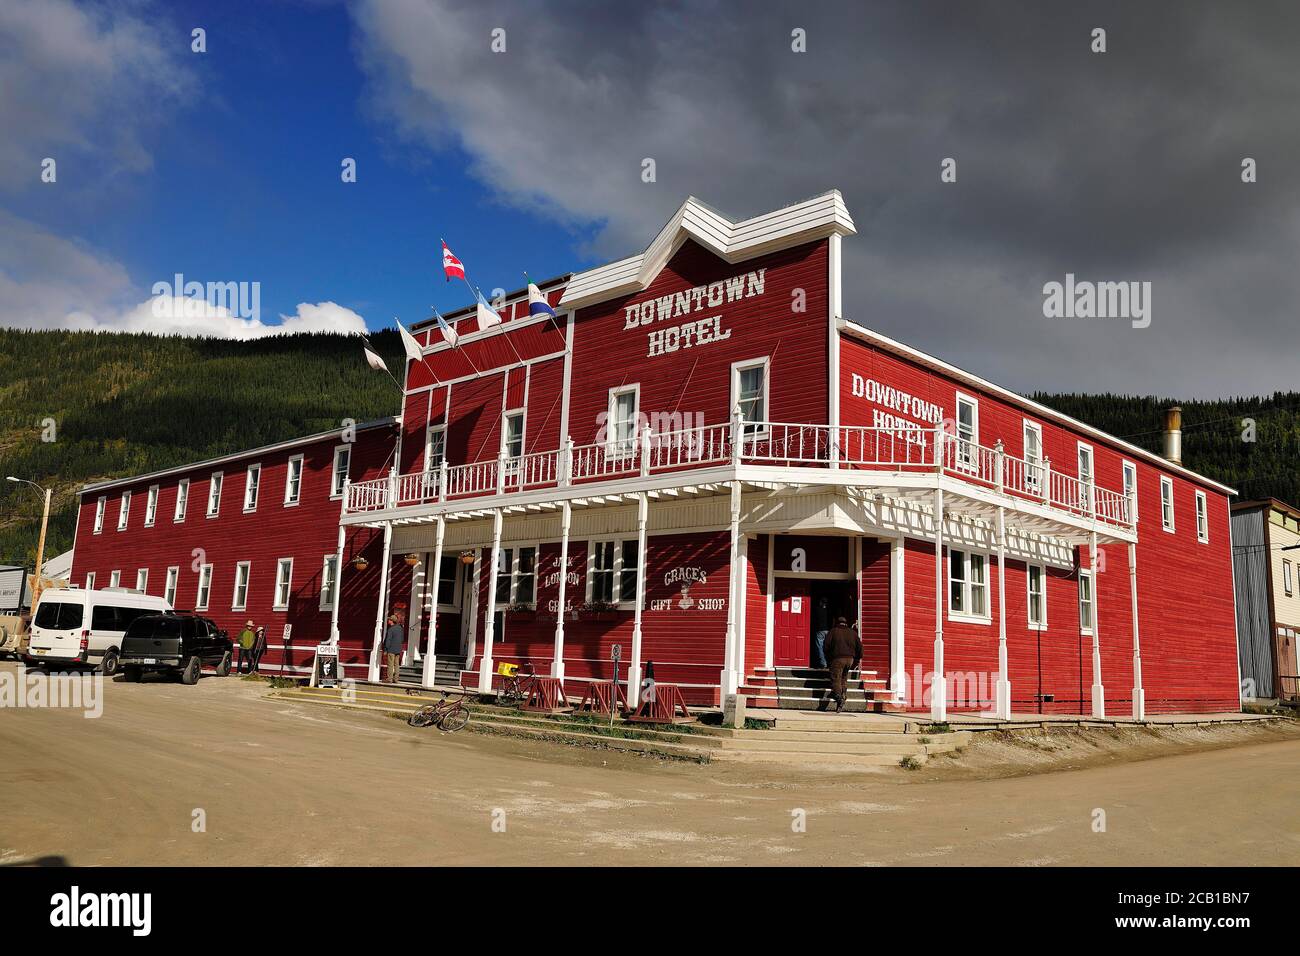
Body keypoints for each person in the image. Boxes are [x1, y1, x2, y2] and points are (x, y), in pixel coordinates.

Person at [823, 616, 862, 713]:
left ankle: (839, 699)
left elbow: (826, 646)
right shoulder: (853, 633)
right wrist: (857, 659)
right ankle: (843, 694)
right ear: (846, 623)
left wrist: (828, 659)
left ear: (837, 623)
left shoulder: (833, 631)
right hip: (850, 660)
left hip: (838, 658)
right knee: (843, 678)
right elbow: (860, 647)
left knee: (835, 679)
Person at [382, 613, 404, 684]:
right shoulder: (400, 629)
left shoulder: (391, 629)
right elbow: (402, 639)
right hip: (398, 649)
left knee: (390, 664)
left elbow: (388, 640)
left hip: (391, 649)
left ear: (392, 621)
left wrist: (385, 649)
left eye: (389, 620)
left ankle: (389, 679)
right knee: (396, 664)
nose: (388, 621)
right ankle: (396, 679)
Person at [811, 595, 831, 669]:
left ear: (821, 602)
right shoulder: (829, 610)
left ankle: (823, 663)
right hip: (828, 630)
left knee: (820, 646)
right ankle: (829, 661)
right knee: (827, 647)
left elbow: (814, 620)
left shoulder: (817, 609)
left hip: (820, 630)